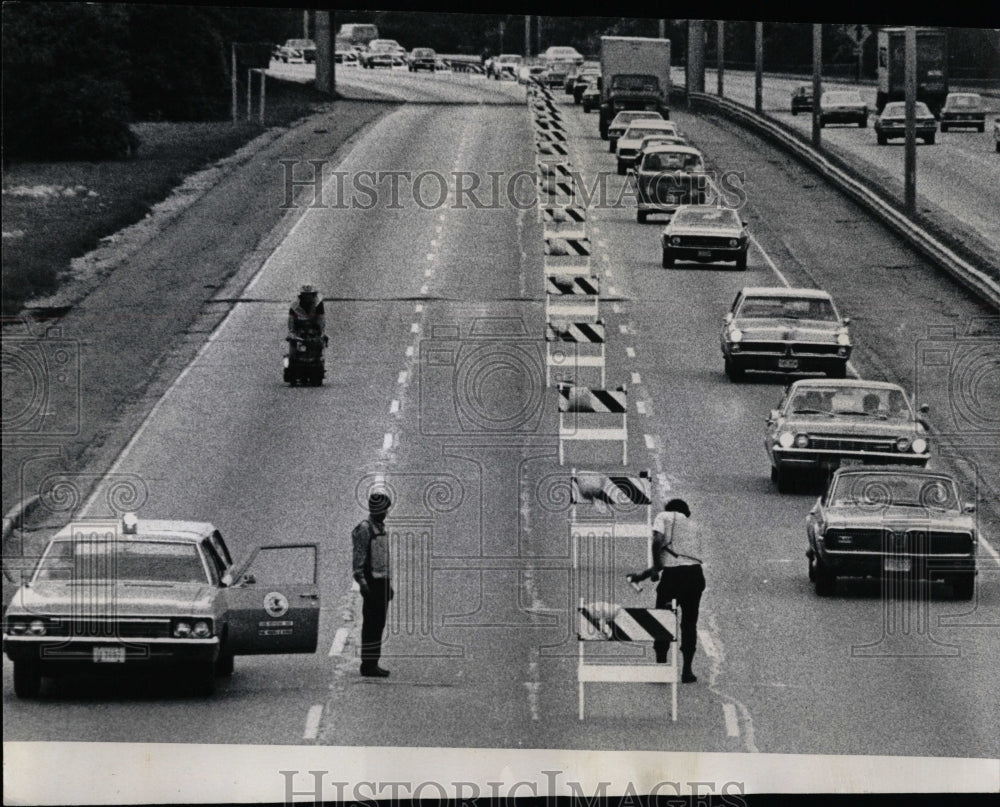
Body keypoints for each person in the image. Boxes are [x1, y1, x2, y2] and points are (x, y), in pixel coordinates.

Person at [626, 498, 706, 683]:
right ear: (686, 512)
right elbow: (679, 559)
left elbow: (658, 542)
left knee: (662, 621)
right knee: (689, 623)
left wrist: (653, 569)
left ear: (670, 509)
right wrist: (643, 575)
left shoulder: (664, 516)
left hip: (673, 579)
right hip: (695, 576)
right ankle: (687, 671)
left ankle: (661, 669)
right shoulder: (694, 526)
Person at [352, 492, 394, 677]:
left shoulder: (380, 528)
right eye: (384, 509)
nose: (386, 512)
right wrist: (362, 583)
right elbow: (359, 560)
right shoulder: (365, 529)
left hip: (381, 583)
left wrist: (388, 585)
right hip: (372, 584)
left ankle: (372, 662)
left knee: (379, 624)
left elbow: (383, 561)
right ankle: (368, 665)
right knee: (372, 625)